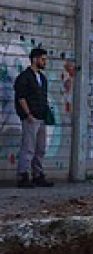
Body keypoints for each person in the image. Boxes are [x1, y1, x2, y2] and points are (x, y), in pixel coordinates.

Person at [15, 48, 53, 188]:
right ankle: (23, 176)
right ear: (35, 59)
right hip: (31, 118)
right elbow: (21, 97)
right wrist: (28, 114)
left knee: (40, 148)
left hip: (41, 117)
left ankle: (38, 175)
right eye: (43, 59)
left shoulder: (42, 78)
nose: (45, 62)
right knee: (28, 147)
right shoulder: (24, 77)